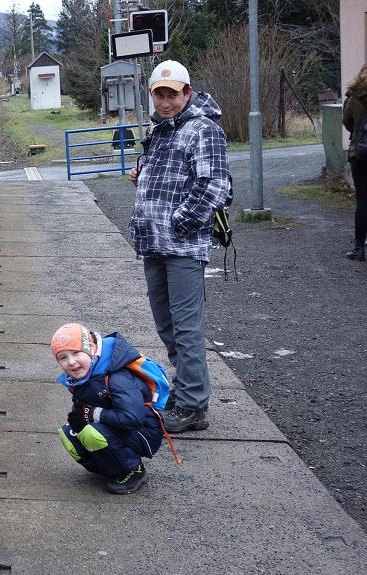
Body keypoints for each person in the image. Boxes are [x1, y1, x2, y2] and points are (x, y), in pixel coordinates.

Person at [128, 60, 230, 433]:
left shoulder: (203, 130)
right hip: (154, 244)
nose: (166, 102)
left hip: (182, 247)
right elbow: (174, 178)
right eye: (160, 94)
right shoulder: (161, 131)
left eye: (173, 94)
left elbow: (214, 185)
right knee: (167, 325)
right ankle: (186, 392)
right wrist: (142, 176)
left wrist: (178, 223)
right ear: (152, 95)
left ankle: (192, 406)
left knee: (186, 328)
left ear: (188, 93)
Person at [52, 323, 164, 495]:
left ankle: (134, 469)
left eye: (76, 353)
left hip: (143, 432)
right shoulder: (83, 376)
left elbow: (133, 419)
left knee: (92, 433)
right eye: (63, 357)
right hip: (115, 427)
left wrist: (93, 414)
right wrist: (80, 417)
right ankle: (110, 468)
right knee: (68, 435)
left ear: (91, 349)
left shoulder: (116, 378)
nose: (71, 362)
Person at [342, 64, 367, 261]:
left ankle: (359, 249)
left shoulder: (354, 97)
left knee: (363, 201)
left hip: (360, 153)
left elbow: (347, 122)